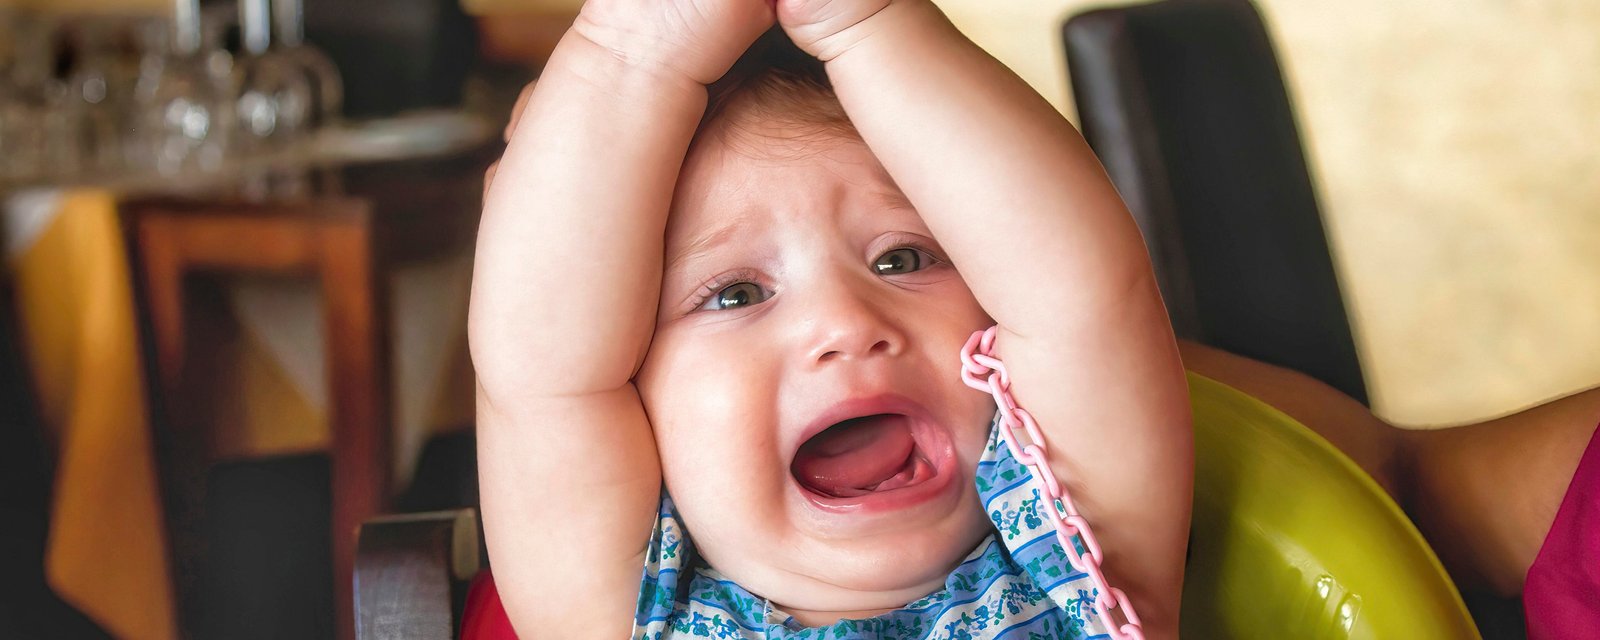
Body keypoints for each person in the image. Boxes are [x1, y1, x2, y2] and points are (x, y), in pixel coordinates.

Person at [470, 0, 1192, 636]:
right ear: (635, 411)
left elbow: (1080, 297)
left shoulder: (1081, 565)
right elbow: (540, 367)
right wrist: (628, 50)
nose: (847, 323)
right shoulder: (615, 621)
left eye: (903, 260)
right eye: (735, 296)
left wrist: (865, 22)